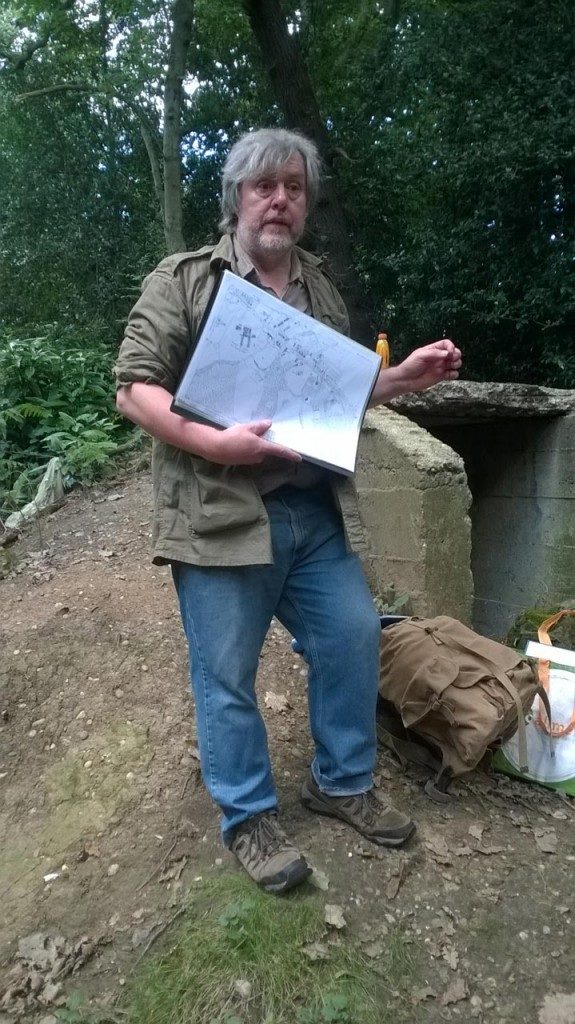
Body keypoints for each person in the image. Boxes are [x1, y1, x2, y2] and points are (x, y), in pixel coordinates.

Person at [115, 127, 462, 894]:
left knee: (350, 638)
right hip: (219, 514)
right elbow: (133, 385)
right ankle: (247, 818)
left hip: (312, 513)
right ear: (235, 196)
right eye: (263, 184)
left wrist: (401, 377)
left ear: (304, 204)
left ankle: (339, 785)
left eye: (294, 187)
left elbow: (332, 396)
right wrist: (212, 444)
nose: (279, 199)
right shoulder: (184, 280)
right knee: (227, 676)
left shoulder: (319, 287)